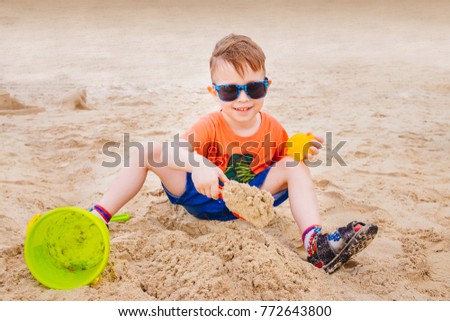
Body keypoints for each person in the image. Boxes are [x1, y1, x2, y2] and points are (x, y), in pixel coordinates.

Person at [89, 34, 377, 274]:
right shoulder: (210, 124)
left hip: (249, 201)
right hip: (202, 194)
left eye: (253, 88)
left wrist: (297, 148)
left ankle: (316, 244)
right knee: (147, 151)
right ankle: (98, 217)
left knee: (296, 166)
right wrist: (199, 165)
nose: (243, 98)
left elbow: (280, 160)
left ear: (267, 86)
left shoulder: (273, 127)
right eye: (229, 91)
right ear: (214, 93)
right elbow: (175, 149)